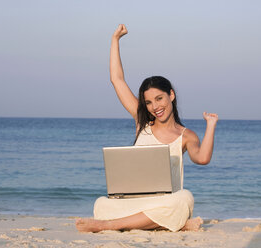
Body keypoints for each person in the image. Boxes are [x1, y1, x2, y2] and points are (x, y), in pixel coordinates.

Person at [76, 24, 218, 232]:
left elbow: (202, 158)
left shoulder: (186, 135)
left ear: (171, 95)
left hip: (166, 202)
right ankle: (172, 225)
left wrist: (211, 125)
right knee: (101, 204)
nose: (155, 107)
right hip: (136, 201)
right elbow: (117, 80)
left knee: (184, 198)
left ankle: (109, 225)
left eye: (159, 99)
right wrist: (115, 40)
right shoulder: (143, 122)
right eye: (149, 102)